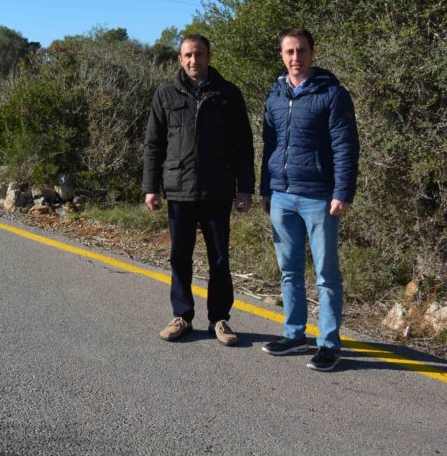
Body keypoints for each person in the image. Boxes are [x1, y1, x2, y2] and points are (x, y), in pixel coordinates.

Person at [143, 34, 254, 345]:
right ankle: (182, 316)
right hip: (178, 189)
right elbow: (153, 144)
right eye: (188, 55)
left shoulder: (228, 93)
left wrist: (244, 189)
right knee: (179, 257)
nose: (194, 60)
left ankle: (219, 319)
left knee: (219, 259)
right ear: (180, 59)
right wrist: (151, 187)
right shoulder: (165, 94)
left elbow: (243, 146)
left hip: (217, 189)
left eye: (200, 54)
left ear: (209, 56)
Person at [260, 28, 359, 372]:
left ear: (312, 53)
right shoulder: (275, 95)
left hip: (319, 197)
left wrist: (342, 192)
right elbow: (269, 147)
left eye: (301, 50)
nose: (295, 57)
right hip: (281, 196)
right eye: (289, 51)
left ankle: (329, 344)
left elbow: (345, 146)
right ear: (281, 55)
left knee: (326, 274)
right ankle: (294, 334)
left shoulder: (332, 93)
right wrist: (266, 189)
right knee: (289, 271)